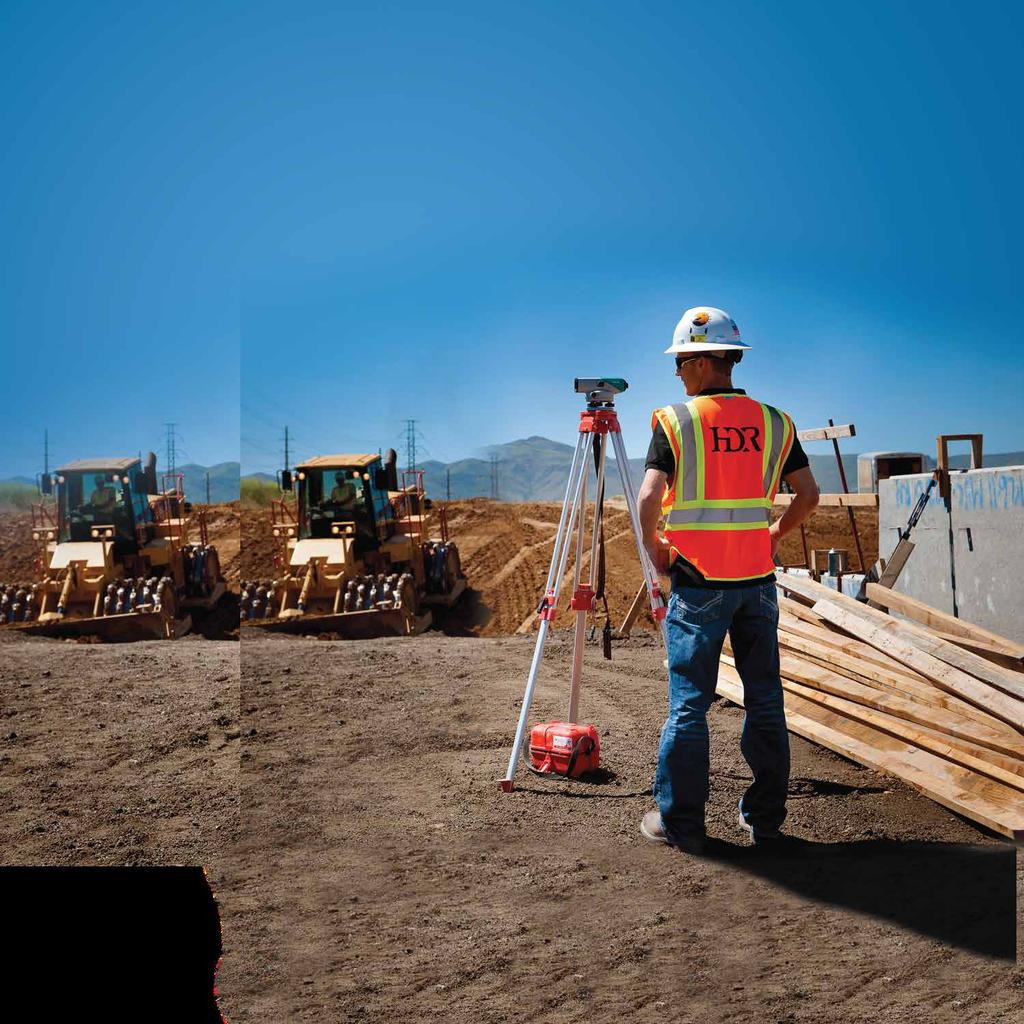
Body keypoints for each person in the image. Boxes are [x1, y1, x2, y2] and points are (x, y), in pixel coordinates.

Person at [637, 306, 819, 852]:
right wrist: (774, 535)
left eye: (680, 362)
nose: (676, 374)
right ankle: (765, 823)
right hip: (756, 582)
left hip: (697, 582)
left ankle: (681, 824)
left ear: (699, 360)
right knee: (764, 699)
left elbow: (648, 497)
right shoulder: (775, 421)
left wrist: (654, 549)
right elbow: (808, 495)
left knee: (690, 704)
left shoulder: (676, 421)